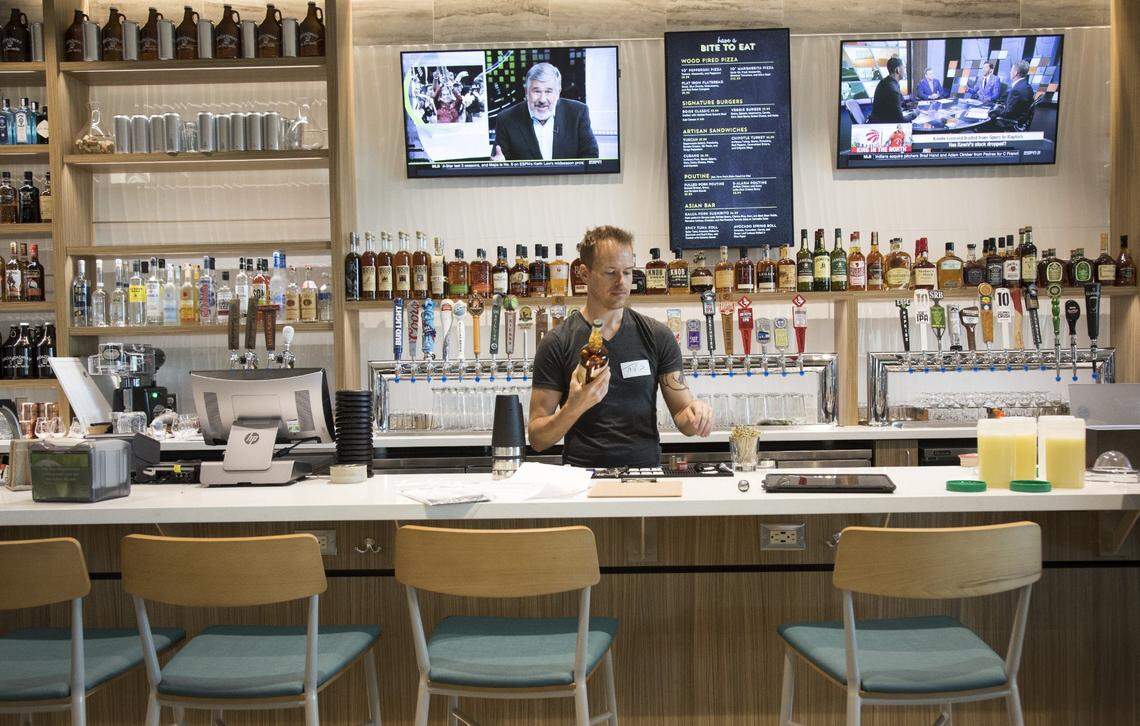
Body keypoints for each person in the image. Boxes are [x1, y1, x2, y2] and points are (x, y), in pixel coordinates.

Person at [529, 226, 714, 468]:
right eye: (610, 272)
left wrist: (696, 414)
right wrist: (574, 407)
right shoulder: (557, 342)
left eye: (627, 272)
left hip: (645, 477)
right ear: (584, 274)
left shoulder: (658, 336)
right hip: (582, 480)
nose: (621, 282)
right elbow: (537, 439)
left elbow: (682, 415)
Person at [491, 62, 599, 162]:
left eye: (548, 91)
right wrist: (499, 165)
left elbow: (591, 157)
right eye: (537, 91)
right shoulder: (506, 119)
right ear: (526, 92)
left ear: (558, 92)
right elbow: (499, 158)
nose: (542, 99)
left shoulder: (578, 113)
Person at [869, 57, 915, 124]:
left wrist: (911, 106)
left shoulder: (888, 82)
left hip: (881, 119)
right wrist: (915, 114)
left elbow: (901, 102)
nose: (906, 71)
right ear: (898, 70)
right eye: (904, 68)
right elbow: (900, 119)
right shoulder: (892, 89)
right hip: (883, 125)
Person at [991, 60, 1034, 130]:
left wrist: (994, 111)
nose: (1010, 72)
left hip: (1011, 123)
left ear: (1015, 73)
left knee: (987, 121)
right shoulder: (1027, 86)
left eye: (1011, 70)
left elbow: (1007, 112)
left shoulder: (1016, 90)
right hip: (1021, 120)